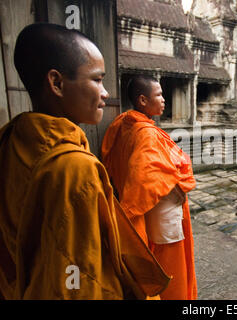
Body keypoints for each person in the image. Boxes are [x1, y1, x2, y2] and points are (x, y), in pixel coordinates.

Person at [0, 23, 170, 299]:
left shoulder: (10, 137)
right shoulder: (75, 169)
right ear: (56, 83)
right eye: (97, 79)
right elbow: (78, 275)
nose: (105, 93)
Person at [101, 76, 197, 300]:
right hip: (162, 212)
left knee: (159, 261)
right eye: (159, 95)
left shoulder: (125, 123)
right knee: (171, 268)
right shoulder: (146, 134)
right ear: (143, 100)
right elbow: (147, 178)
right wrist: (180, 176)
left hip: (155, 211)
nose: (164, 100)